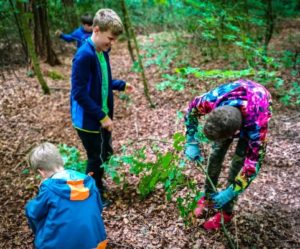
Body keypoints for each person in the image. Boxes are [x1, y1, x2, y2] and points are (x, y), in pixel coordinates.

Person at [184, 79, 272, 230]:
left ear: (235, 133)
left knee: (239, 162)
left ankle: (226, 212)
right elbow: (191, 111)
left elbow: (252, 165)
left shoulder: (257, 127)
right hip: (235, 103)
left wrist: (232, 191)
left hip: (257, 106)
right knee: (216, 152)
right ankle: (209, 196)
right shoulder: (212, 100)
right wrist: (191, 140)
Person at [70, 9, 134, 207]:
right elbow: (79, 93)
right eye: (110, 38)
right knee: (95, 158)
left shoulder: (102, 52)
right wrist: (101, 117)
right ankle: (93, 195)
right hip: (88, 120)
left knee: (106, 153)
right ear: (96, 30)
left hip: (101, 115)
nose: (112, 43)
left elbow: (102, 80)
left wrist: (120, 85)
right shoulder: (84, 56)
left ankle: (97, 184)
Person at [25, 142, 108, 249]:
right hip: (96, 243)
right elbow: (99, 207)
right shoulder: (88, 181)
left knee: (34, 211)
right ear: (61, 160)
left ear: (41, 172)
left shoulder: (49, 189)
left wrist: (43, 188)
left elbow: (33, 213)